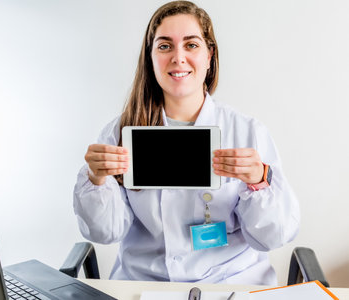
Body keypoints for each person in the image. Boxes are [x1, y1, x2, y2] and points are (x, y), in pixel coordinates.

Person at [73, 0, 300, 285]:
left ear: (209, 56)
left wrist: (259, 180)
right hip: (145, 285)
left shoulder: (247, 132)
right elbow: (105, 233)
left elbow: (273, 236)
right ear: (150, 57)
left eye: (191, 45)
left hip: (230, 284)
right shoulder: (120, 133)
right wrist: (97, 180)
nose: (178, 57)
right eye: (164, 46)